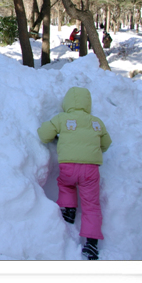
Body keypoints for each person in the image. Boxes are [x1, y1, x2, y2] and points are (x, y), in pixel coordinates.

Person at [37, 86, 112, 260]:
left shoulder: (61, 119)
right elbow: (106, 144)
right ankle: (92, 244)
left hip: (68, 167)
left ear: (67, 103)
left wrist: (57, 137)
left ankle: (69, 209)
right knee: (91, 205)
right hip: (90, 170)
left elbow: (43, 135)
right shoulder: (96, 122)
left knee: (66, 185)